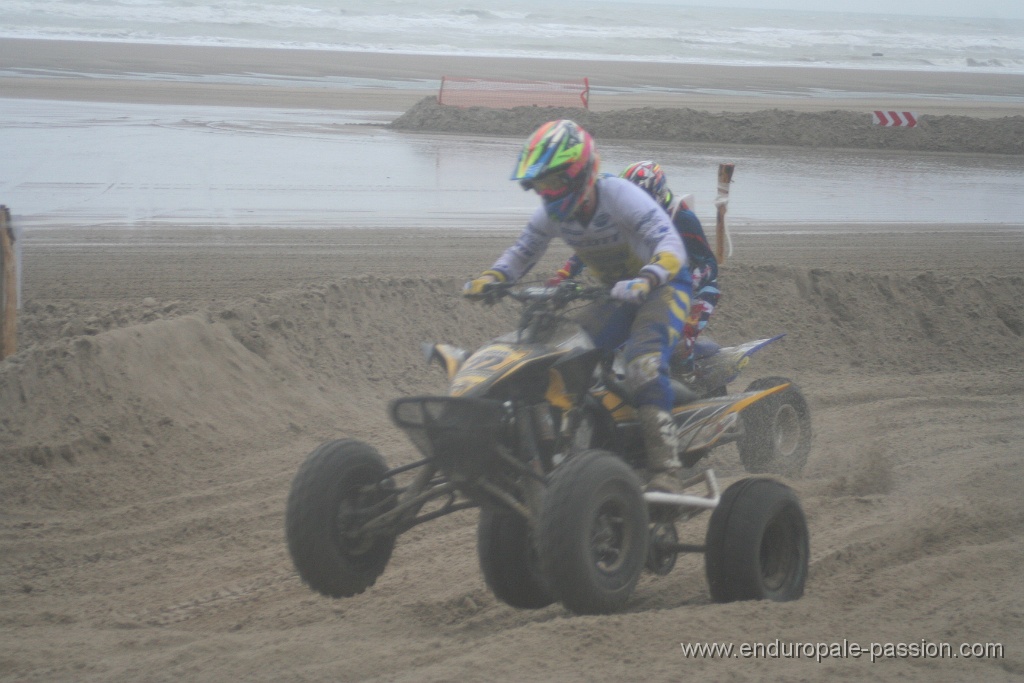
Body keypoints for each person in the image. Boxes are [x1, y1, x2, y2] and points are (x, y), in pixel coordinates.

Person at [463, 120, 693, 494]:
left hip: (665, 286)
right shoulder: (552, 214)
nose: (546, 194)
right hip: (615, 294)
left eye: (552, 183)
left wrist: (649, 277)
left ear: (581, 174)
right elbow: (523, 251)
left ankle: (666, 468)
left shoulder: (619, 196)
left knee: (643, 366)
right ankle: (577, 445)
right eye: (539, 186)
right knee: (562, 354)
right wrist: (494, 277)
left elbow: (670, 243)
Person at [549, 161, 720, 381]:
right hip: (644, 282)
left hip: (695, 286)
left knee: (681, 338)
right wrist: (563, 275)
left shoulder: (682, 218)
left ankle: (688, 380)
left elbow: (708, 264)